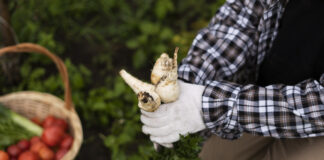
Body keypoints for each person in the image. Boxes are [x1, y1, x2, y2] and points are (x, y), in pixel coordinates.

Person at [140, 0, 324, 159]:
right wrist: (188, 84)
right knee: (214, 155)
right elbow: (244, 13)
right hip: (270, 92)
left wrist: (211, 105)